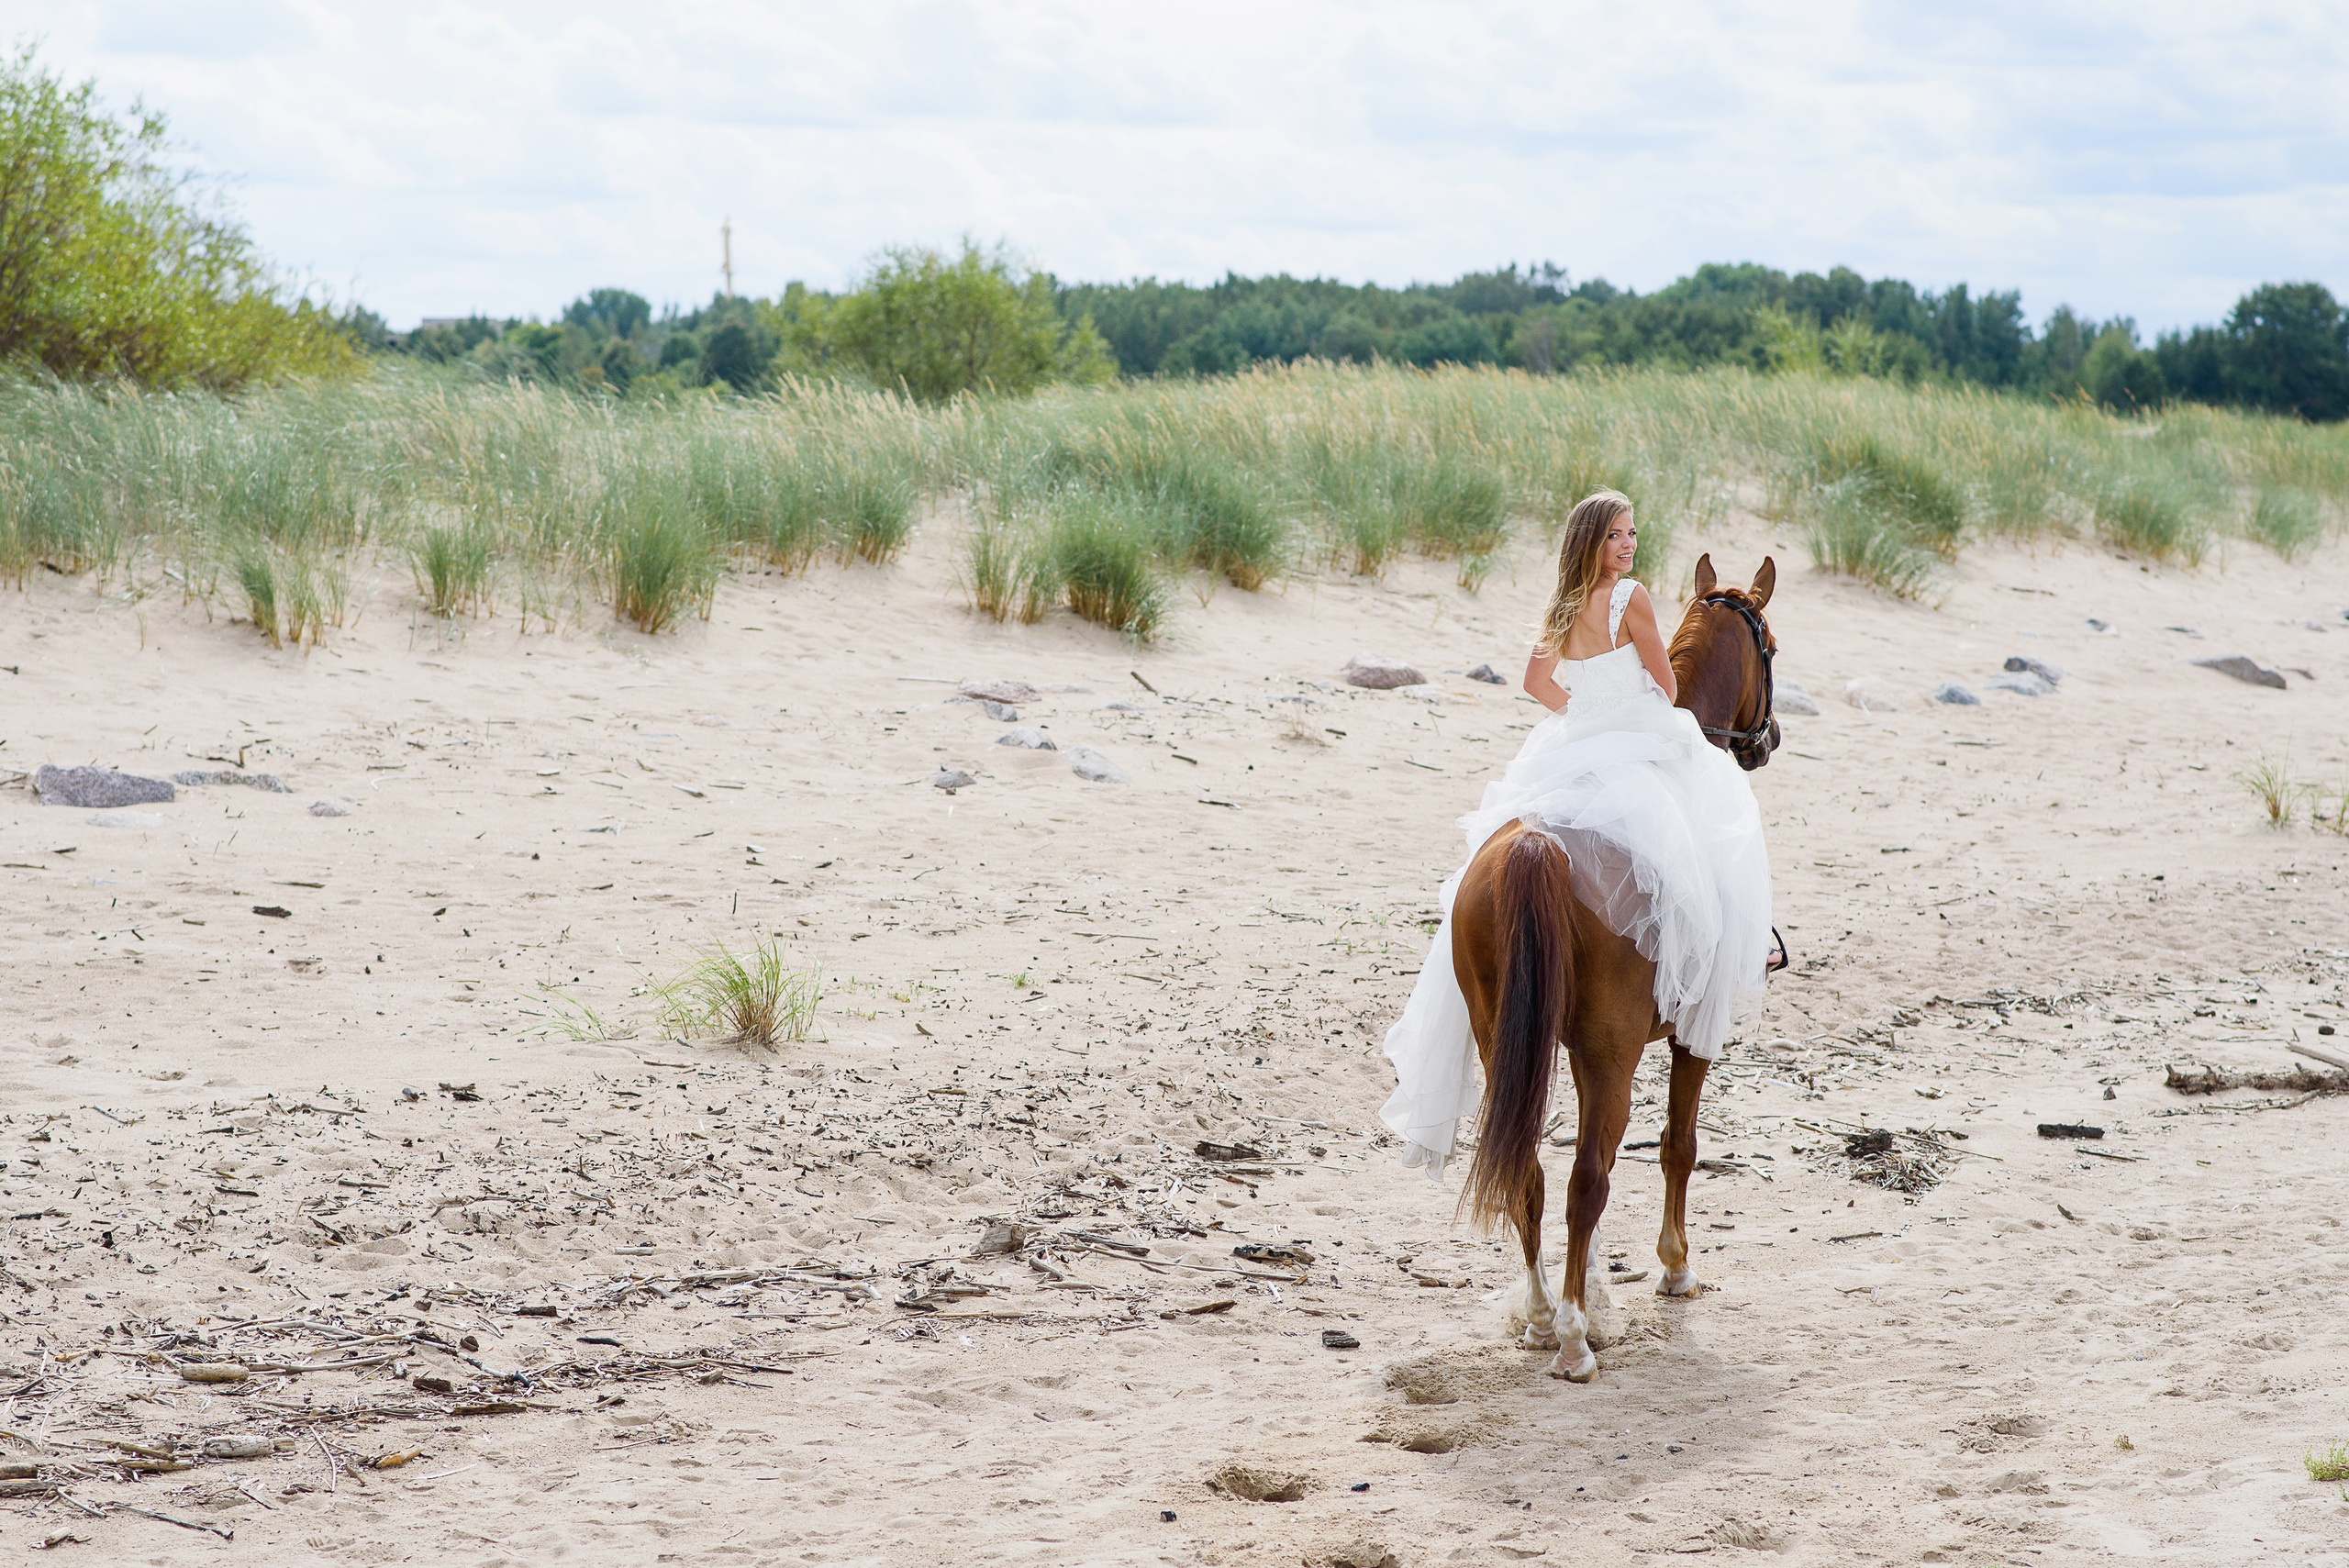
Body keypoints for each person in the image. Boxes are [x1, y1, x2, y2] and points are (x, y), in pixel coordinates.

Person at [1378, 489, 1775, 1173]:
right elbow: (1670, 690)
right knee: (1717, 820)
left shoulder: (1563, 603)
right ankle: (1741, 945)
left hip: (1575, 740)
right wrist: (1626, 707)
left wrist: (1580, 710)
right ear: (1595, 541)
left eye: (1633, 534)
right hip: (1636, 735)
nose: (1630, 544)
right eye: (1618, 535)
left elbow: (1537, 681)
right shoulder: (1634, 599)